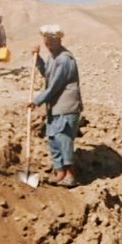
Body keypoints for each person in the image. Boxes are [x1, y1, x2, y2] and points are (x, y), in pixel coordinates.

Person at [29, 25, 82, 187]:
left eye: (51, 41)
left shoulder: (65, 59)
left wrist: (37, 100)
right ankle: (59, 173)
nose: (48, 44)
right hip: (54, 107)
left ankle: (70, 175)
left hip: (66, 107)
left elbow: (55, 86)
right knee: (53, 139)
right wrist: (37, 60)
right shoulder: (53, 57)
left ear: (59, 40)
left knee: (63, 139)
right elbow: (48, 74)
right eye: (46, 41)